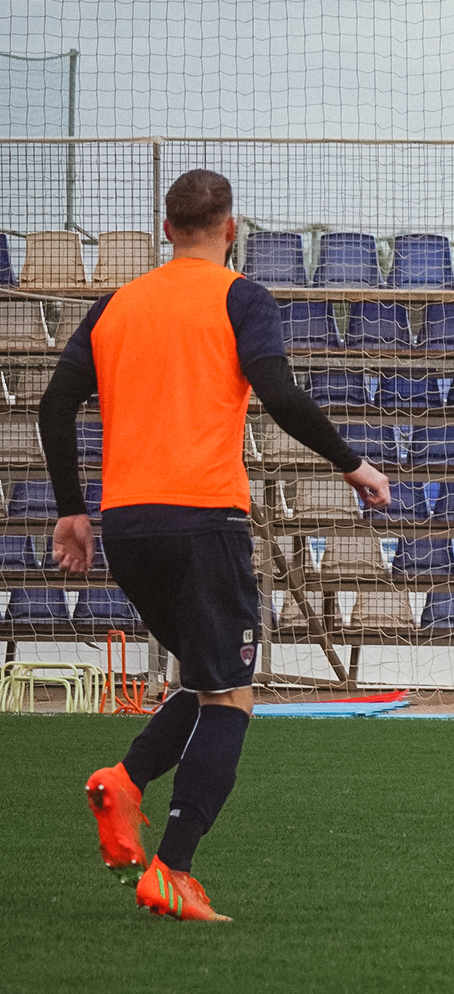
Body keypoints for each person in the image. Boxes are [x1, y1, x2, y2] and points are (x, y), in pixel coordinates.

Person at [40, 169, 391, 920]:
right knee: (232, 696)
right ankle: (172, 868)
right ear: (231, 230)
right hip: (204, 520)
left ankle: (126, 783)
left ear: (167, 231)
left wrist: (73, 510)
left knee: (202, 682)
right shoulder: (240, 296)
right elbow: (281, 393)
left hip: (128, 526)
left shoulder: (116, 305)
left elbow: (54, 404)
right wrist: (353, 464)